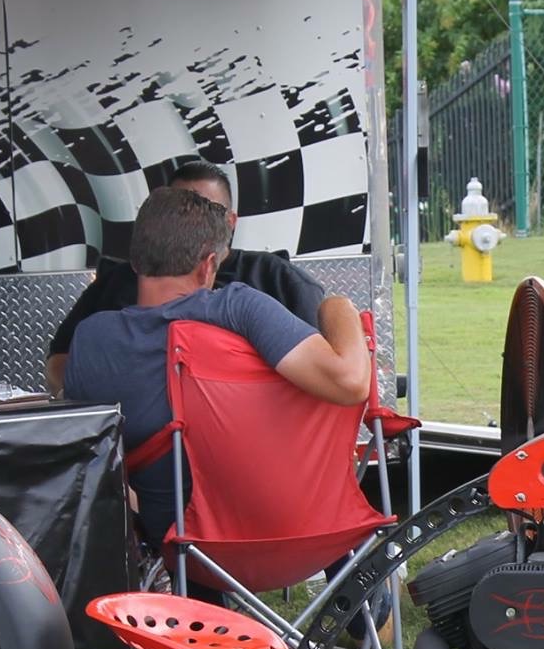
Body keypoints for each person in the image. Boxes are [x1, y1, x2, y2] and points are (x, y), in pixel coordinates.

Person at [62, 187, 369, 546]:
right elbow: (350, 382)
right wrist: (338, 306)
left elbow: (90, 458)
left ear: (135, 262)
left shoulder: (90, 339)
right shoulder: (238, 310)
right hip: (296, 528)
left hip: (181, 543)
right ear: (208, 265)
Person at [45, 159, 325, 396]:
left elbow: (328, 373)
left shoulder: (272, 282)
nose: (193, 222)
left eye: (209, 211)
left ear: (230, 222)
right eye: (180, 211)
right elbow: (60, 363)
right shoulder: (112, 293)